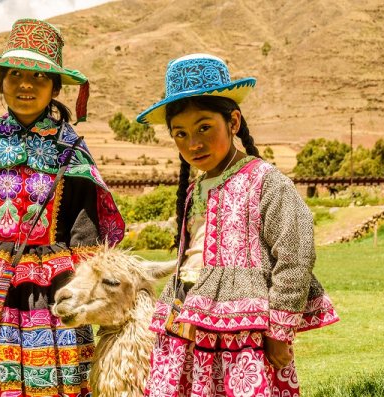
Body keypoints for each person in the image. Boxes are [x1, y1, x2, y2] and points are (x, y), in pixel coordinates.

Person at [0, 18, 125, 397]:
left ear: (55, 87)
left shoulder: (73, 154)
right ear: (1, 83)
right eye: (14, 74)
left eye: (39, 77)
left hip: (54, 292)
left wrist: (89, 299)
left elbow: (85, 235)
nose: (25, 85)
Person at [136, 54, 339, 396]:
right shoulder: (193, 190)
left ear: (233, 121)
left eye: (204, 128)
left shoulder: (266, 182)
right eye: (180, 134)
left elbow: (296, 256)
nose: (193, 144)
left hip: (245, 336)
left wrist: (279, 332)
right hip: (186, 322)